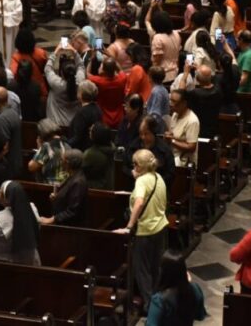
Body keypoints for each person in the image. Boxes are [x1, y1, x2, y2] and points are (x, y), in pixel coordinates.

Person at [115, 148, 168, 313]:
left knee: (142, 269)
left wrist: (129, 226)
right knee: (156, 267)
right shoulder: (158, 177)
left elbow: (139, 203)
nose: (133, 167)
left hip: (145, 231)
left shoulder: (142, 181)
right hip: (160, 227)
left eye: (135, 164)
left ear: (139, 166)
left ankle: (150, 305)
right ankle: (158, 301)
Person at [0, 180, 41, 265]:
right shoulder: (33, 209)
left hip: (2, 266)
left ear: (7, 198)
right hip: (31, 265)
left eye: (0, 192)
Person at [145, 249, 208, 325]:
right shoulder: (195, 289)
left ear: (164, 272)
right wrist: (188, 284)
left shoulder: (159, 300)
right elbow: (200, 316)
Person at [39, 149, 88, 226]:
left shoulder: (78, 182)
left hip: (70, 228)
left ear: (67, 163)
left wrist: (52, 219)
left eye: (62, 160)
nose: (60, 162)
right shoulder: (73, 176)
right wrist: (57, 197)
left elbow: (73, 211)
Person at [166, 89, 200, 166]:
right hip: (172, 156)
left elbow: (191, 147)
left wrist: (172, 141)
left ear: (184, 103)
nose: (171, 104)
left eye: (174, 101)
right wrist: (169, 135)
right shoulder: (175, 114)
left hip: (184, 162)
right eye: (170, 100)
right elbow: (174, 134)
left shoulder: (192, 120)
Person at [83, 122, 115, 190]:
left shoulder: (91, 154)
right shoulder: (112, 146)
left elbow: (82, 171)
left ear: (96, 135)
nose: (89, 129)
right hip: (109, 184)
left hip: (96, 188)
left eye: (91, 130)